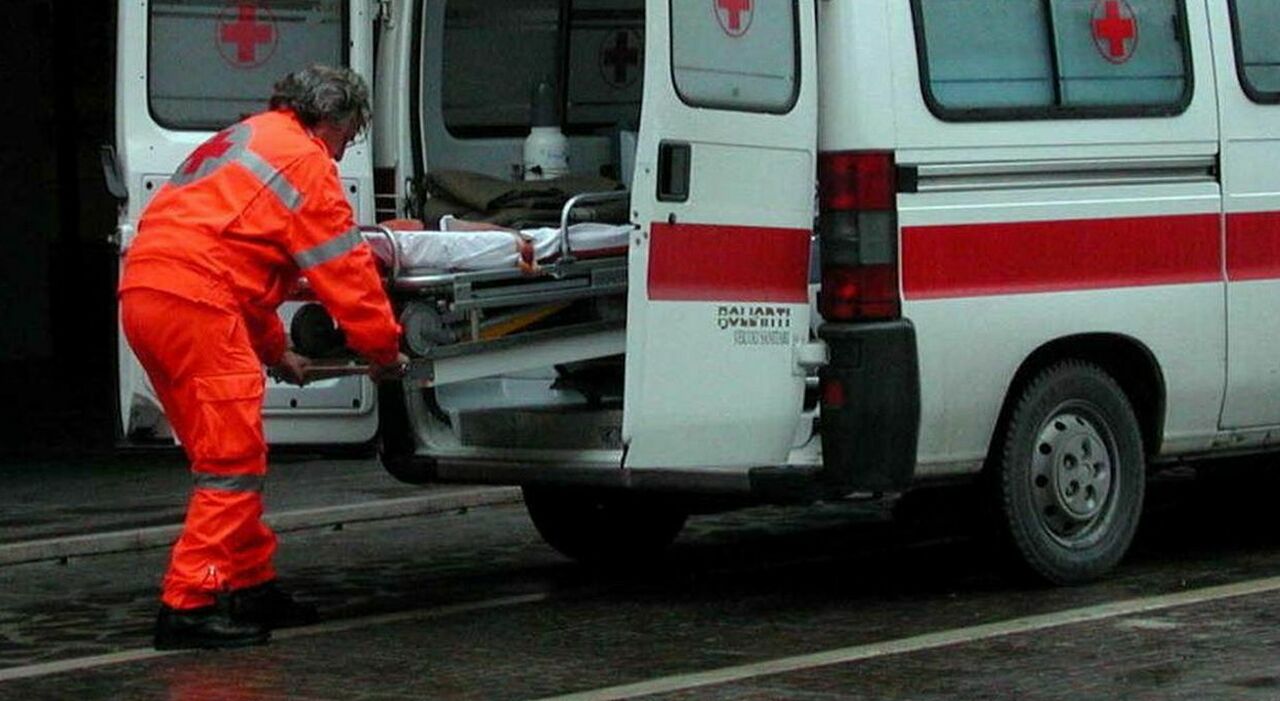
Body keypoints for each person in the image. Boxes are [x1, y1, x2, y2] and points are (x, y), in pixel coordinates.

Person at [119, 64, 410, 650]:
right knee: (232, 462)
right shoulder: (305, 161)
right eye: (350, 133)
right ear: (331, 120)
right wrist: (384, 348)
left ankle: (250, 584)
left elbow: (233, 261)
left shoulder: (248, 137)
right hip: (198, 304)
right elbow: (346, 270)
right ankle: (189, 603)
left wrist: (277, 350)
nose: (344, 149)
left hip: (148, 296)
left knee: (223, 460)